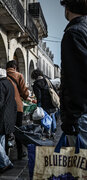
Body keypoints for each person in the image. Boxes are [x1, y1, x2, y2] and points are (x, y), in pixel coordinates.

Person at [60, 0, 87, 147]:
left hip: (81, 117)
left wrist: (71, 120)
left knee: (80, 167)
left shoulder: (74, 33)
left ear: (67, 8)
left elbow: (75, 81)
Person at [6, 60, 31, 160]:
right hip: (17, 107)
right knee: (18, 130)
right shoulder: (19, 75)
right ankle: (20, 152)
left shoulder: (3, 76)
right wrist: (26, 96)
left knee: (7, 130)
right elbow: (24, 92)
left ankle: (5, 152)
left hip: (7, 107)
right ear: (15, 67)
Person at [31, 69, 57, 136]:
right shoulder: (47, 81)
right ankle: (53, 131)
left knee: (44, 118)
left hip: (44, 104)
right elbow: (55, 90)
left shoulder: (36, 84)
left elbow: (39, 96)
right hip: (51, 103)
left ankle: (47, 131)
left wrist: (39, 105)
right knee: (51, 116)